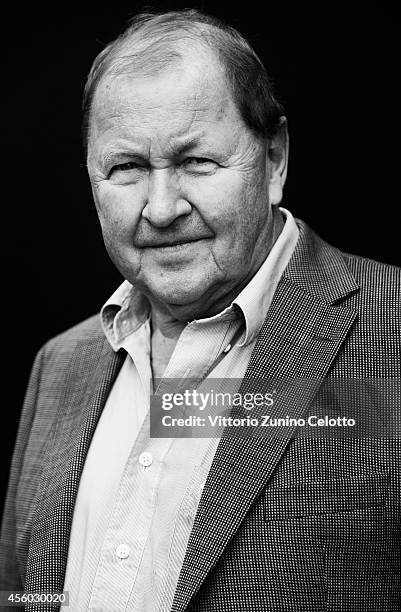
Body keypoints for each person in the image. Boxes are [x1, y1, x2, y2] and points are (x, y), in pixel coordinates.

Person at [0, 9, 400, 612]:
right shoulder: (58, 366)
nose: (161, 209)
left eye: (196, 162)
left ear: (274, 161)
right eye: (127, 168)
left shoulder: (393, 331)